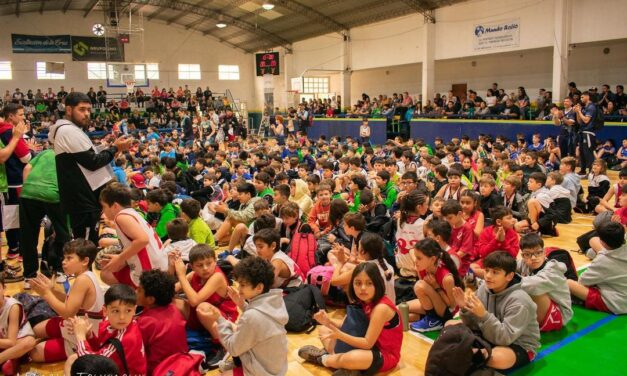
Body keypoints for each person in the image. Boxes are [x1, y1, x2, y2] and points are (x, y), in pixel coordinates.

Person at [49, 92, 131, 245]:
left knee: (86, 244)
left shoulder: (71, 130)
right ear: (68, 110)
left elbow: (87, 157)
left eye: (88, 110)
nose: (86, 114)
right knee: (84, 246)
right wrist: (114, 149)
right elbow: (93, 162)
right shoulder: (68, 130)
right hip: (82, 201)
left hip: (83, 199)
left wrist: (112, 148)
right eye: (82, 109)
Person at [299, 262, 403, 375]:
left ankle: (324, 359)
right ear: (352, 284)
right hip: (366, 344)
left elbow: (367, 343)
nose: (363, 288)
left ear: (377, 284)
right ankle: (347, 367)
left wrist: (340, 335)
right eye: (358, 283)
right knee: (324, 329)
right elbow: (347, 324)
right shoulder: (363, 301)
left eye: (369, 283)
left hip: (384, 354)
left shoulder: (381, 308)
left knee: (353, 357)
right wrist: (327, 321)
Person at [196, 257, 288, 376]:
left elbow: (233, 348)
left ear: (259, 287)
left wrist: (219, 318)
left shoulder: (252, 316)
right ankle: (240, 364)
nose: (239, 289)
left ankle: (241, 366)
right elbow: (260, 318)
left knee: (222, 374)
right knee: (235, 329)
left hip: (264, 372)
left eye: (243, 285)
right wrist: (241, 304)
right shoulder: (276, 299)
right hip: (276, 366)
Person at [450, 251, 540, 372]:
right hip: (489, 336)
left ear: (509, 276)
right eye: (487, 270)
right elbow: (472, 325)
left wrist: (484, 316)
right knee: (449, 325)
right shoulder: (484, 288)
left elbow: (505, 338)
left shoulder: (520, 301)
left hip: (517, 344)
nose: (488, 276)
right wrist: (464, 309)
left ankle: (473, 354)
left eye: (495, 272)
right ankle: (474, 355)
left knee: (497, 358)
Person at [64, 284, 147, 376]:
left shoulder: (126, 339)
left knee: (74, 363)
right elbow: (101, 347)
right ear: (105, 311)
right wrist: (89, 335)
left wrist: (80, 336)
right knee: (72, 359)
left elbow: (92, 364)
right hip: (113, 367)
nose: (122, 317)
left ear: (134, 310)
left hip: (119, 371)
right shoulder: (108, 322)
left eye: (128, 310)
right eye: (116, 311)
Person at [99, 183, 167, 288]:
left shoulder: (121, 217)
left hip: (150, 274)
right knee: (107, 270)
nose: (103, 211)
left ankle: (140, 297)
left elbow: (143, 240)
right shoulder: (131, 212)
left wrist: (120, 259)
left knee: (106, 274)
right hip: (159, 266)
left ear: (115, 206)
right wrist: (122, 260)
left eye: (104, 207)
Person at [567, 222, 627, 315]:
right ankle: (589, 252)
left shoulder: (602, 261)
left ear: (603, 242)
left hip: (619, 303)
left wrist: (600, 255)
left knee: (569, 283)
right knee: (592, 241)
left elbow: (582, 281)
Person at [517, 234, 573, 332]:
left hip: (559, 314)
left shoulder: (553, 269)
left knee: (532, 290)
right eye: (527, 254)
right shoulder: (524, 263)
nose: (533, 258)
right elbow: (508, 265)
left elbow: (534, 286)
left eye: (538, 253)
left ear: (544, 253)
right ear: (523, 255)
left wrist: (506, 279)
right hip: (541, 307)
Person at [136, 270, 188, 374]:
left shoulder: (145, 322)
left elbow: (136, 352)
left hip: (159, 370)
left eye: (139, 290)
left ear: (150, 300)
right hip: (182, 364)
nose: (135, 291)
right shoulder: (174, 308)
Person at [0, 103, 33, 266]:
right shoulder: (10, 131)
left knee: (9, 217)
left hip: (7, 181)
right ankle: (20, 250)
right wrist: (30, 149)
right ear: (10, 116)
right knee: (19, 217)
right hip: (16, 180)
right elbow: (26, 157)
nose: (23, 117)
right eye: (20, 114)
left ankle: (13, 248)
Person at [408, 238, 463, 332]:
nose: (415, 261)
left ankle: (434, 321)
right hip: (432, 305)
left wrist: (436, 286)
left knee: (419, 285)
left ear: (433, 259)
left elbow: (452, 305)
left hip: (447, 312)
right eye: (416, 257)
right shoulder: (421, 267)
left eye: (419, 258)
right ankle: (428, 317)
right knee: (400, 311)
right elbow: (411, 250)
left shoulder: (447, 278)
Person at [0, 275, 36, 376]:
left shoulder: (13, 306)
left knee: (29, 342)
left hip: (16, 341)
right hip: (3, 342)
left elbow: (11, 342)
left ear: (4, 288)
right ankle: (12, 359)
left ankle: (4, 358)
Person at [574, 91, 597, 176]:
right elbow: (580, 121)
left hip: (588, 132)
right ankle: (583, 170)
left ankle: (592, 172)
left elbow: (586, 120)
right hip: (582, 131)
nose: (581, 99)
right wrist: (577, 111)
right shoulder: (584, 107)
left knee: (588, 152)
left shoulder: (591, 107)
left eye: (582, 97)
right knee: (582, 152)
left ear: (587, 97)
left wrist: (579, 112)